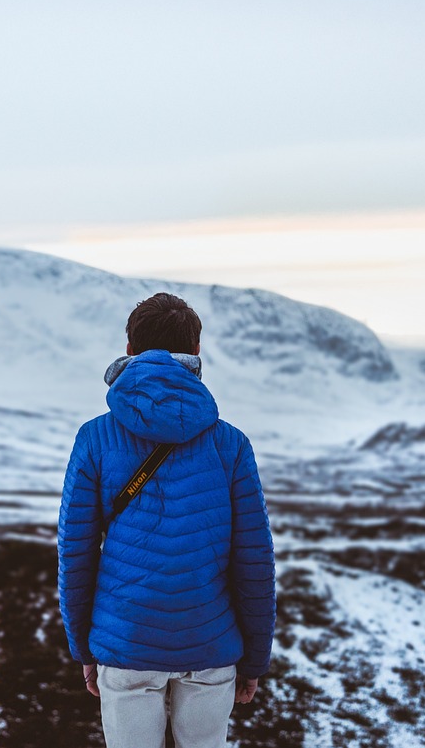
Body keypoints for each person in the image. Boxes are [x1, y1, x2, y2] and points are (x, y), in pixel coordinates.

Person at [57, 292, 276, 748]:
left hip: (125, 644)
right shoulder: (230, 445)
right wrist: (253, 660)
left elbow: (75, 554)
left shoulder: (95, 438)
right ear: (195, 354)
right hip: (211, 646)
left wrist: (85, 649)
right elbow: (254, 563)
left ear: (130, 351)